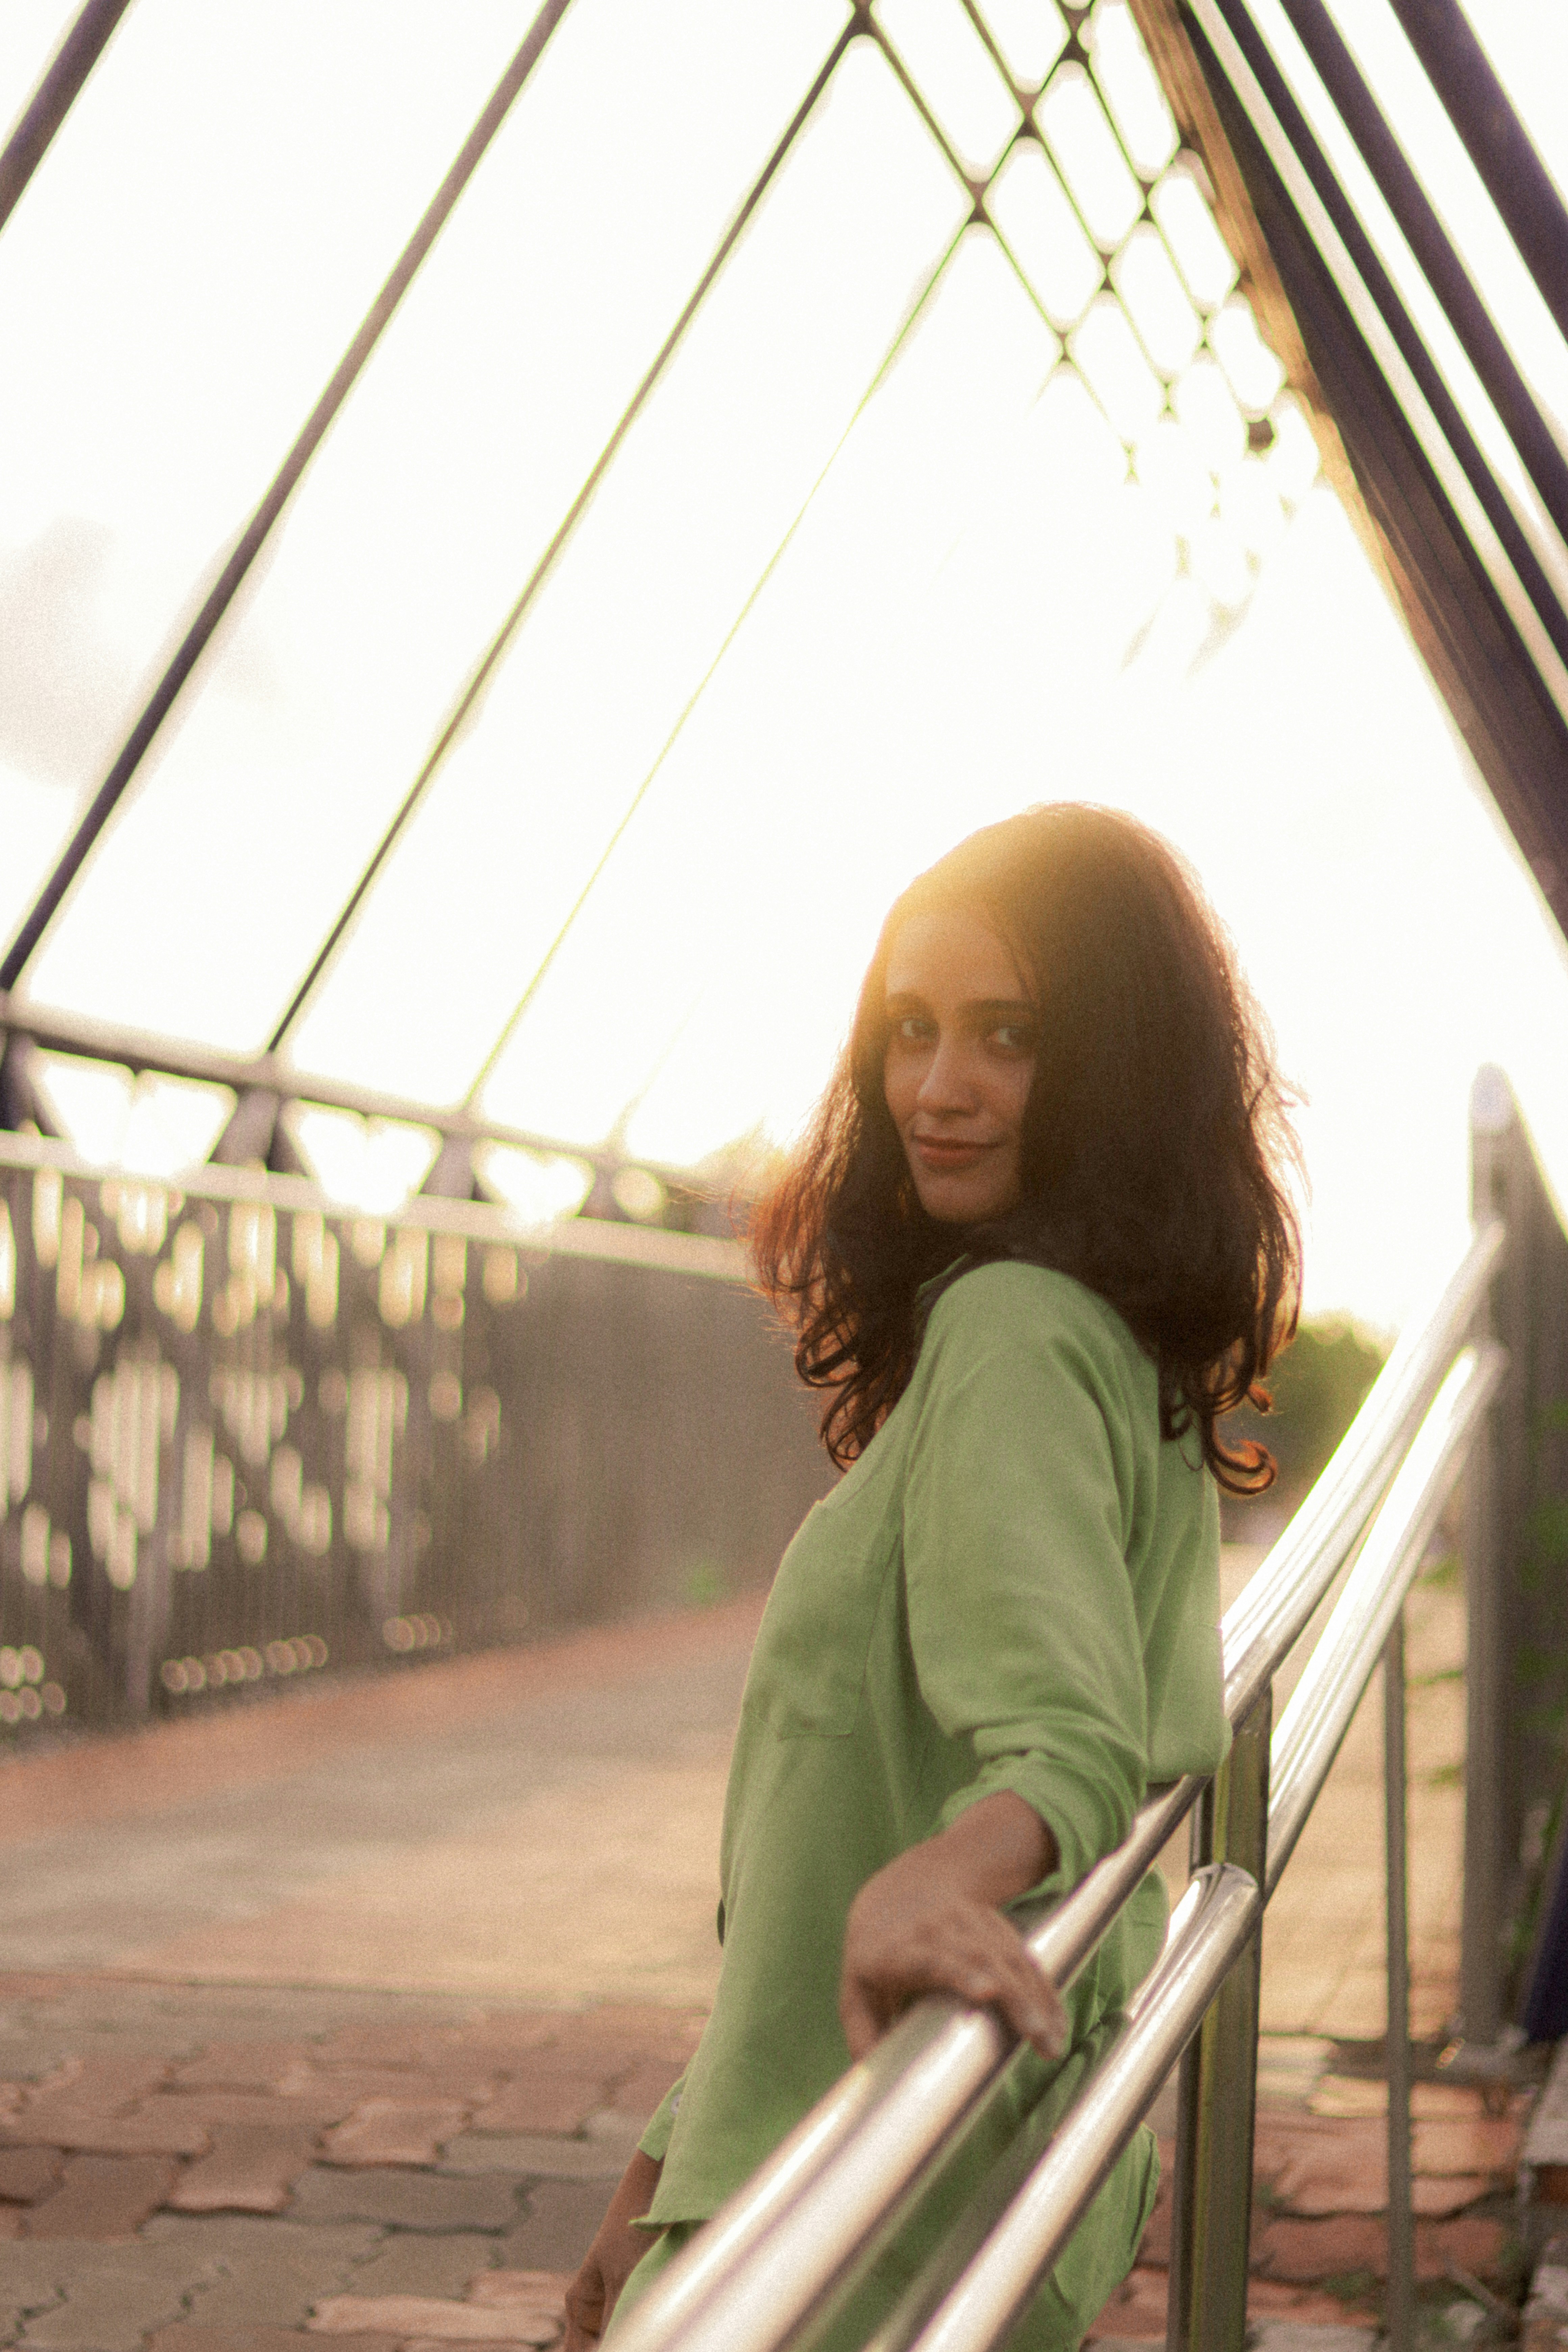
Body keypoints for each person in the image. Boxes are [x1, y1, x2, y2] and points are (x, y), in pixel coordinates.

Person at [565, 803, 1301, 2351]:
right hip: (895, 2152)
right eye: (910, 1030)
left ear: (1110, 1058)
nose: (936, 1089)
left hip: (861, 2196)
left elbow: (1071, 1742)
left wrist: (937, 1883)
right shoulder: (1100, 1338)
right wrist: (661, 2167)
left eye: (1008, 1035)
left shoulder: (1013, 1335)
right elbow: (851, 1831)